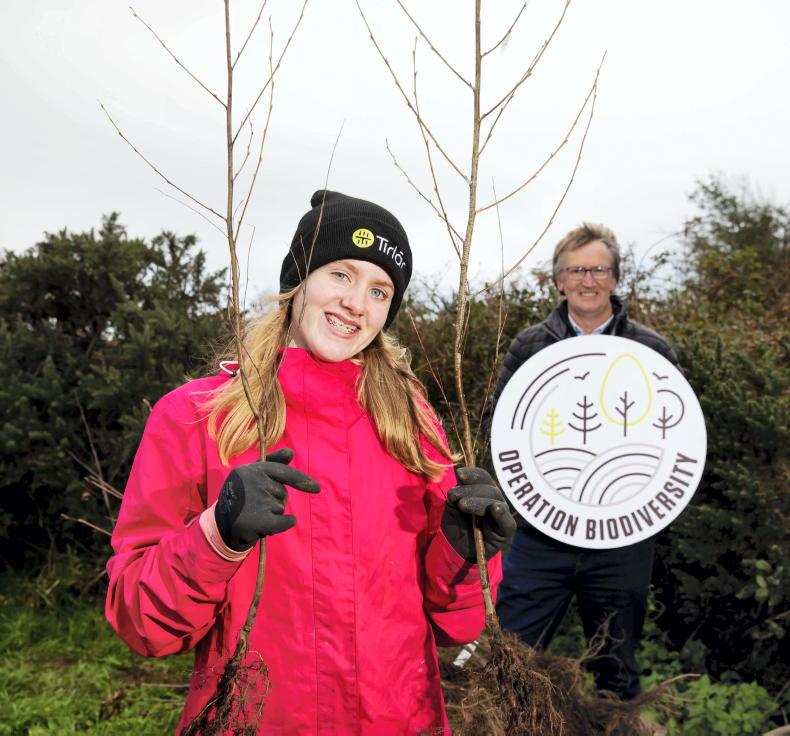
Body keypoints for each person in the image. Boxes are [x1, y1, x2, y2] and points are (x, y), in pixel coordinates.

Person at [105, 190, 515, 735]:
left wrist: (464, 554)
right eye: (341, 274)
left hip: (399, 722)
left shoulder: (413, 426)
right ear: (298, 279)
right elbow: (142, 622)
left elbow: (457, 627)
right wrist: (216, 535)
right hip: (253, 721)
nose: (356, 303)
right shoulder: (197, 417)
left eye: (379, 290)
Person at [483, 223, 680, 700]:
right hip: (541, 533)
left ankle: (619, 727)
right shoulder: (530, 346)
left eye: (598, 270)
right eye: (576, 271)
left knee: (617, 670)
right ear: (558, 281)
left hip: (621, 539)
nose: (587, 281)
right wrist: (523, 499)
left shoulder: (651, 349)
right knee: (507, 657)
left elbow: (678, 439)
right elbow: (497, 425)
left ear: (615, 278)